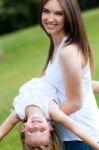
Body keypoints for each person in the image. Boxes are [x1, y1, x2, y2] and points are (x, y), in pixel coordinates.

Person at [0, 0, 99, 149]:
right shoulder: (58, 47)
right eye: (46, 11)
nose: (50, 18)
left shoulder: (68, 51)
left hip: (81, 137)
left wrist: (38, 113)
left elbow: (75, 102)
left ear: (69, 17)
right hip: (70, 136)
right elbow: (81, 84)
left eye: (58, 13)